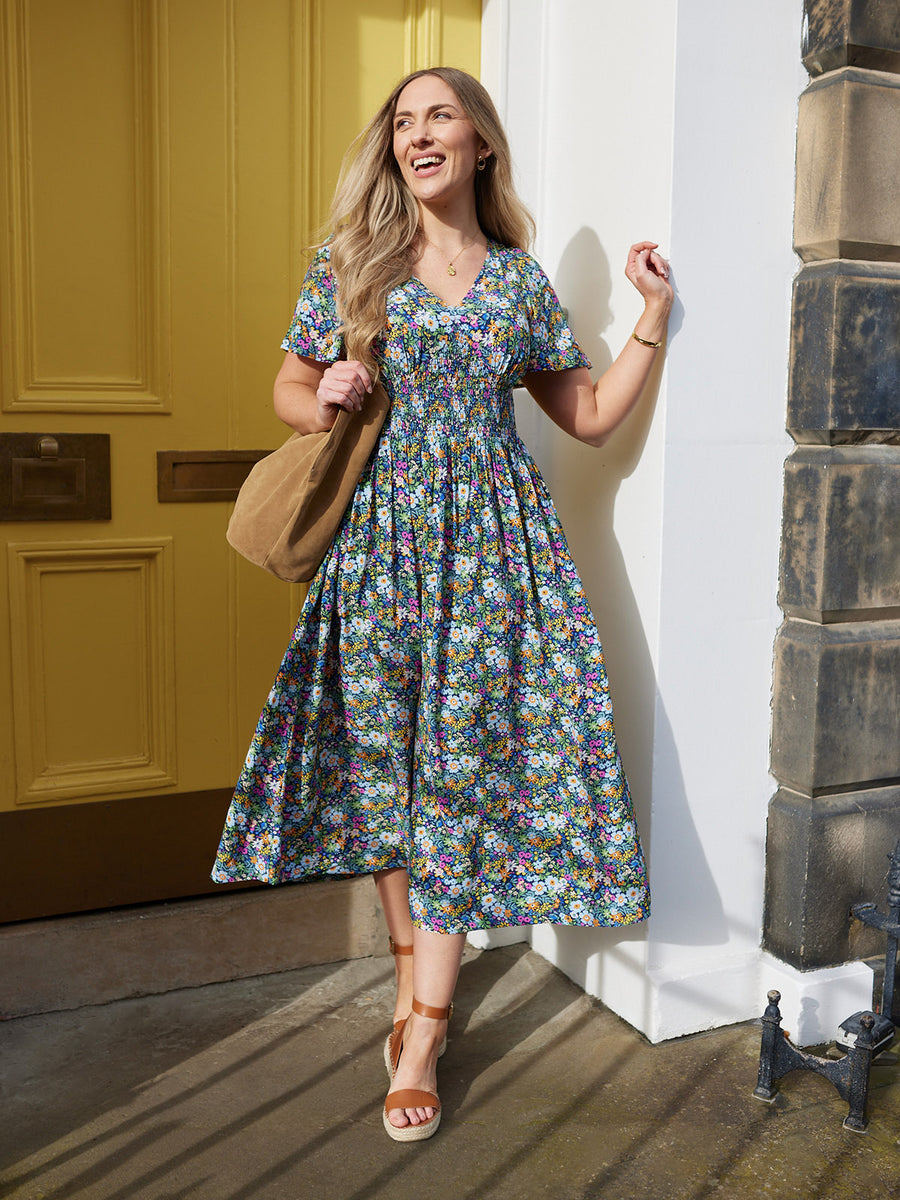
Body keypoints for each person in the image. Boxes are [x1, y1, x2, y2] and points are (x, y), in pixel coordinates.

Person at [213, 66, 673, 1143]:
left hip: (495, 566)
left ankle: (422, 1026)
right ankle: (416, 982)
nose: (418, 135)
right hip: (379, 555)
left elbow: (592, 415)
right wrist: (319, 390)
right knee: (388, 779)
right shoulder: (354, 268)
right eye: (403, 122)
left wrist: (649, 315)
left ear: (480, 148)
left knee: (458, 781)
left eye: (440, 118)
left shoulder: (516, 285)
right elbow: (286, 387)